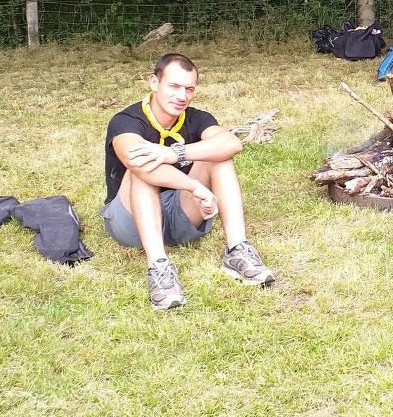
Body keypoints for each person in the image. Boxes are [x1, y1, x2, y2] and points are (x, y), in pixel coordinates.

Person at [101, 53, 275, 310]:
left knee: (220, 157)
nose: (182, 96)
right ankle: (159, 268)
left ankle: (237, 250)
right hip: (130, 220)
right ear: (154, 82)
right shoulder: (127, 120)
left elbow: (231, 143)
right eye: (174, 86)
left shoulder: (195, 118)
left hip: (178, 214)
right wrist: (194, 186)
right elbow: (135, 158)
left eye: (189, 89)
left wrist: (175, 153)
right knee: (142, 166)